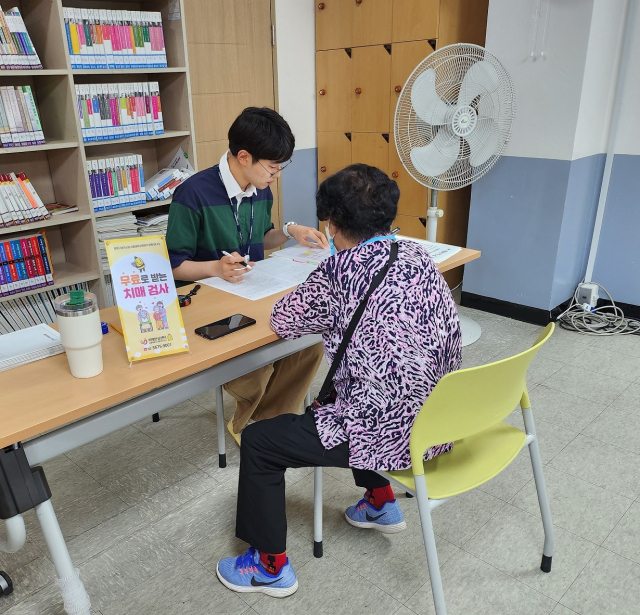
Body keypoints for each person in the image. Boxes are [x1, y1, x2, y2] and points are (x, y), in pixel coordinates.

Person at [216, 164, 462, 597]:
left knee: (260, 441)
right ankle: (381, 503)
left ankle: (269, 566)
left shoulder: (336, 273)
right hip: (438, 420)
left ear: (330, 225)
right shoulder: (419, 255)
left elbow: (282, 318)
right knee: (362, 392)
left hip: (390, 432)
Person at [166, 107, 328, 444]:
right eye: (272, 167)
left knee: (308, 344)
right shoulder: (193, 193)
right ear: (244, 157)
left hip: (253, 291)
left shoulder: (261, 188)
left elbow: (261, 237)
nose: (277, 175)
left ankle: (264, 422)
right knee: (258, 357)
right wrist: (215, 268)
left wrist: (288, 231)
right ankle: (253, 425)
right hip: (208, 300)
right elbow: (173, 265)